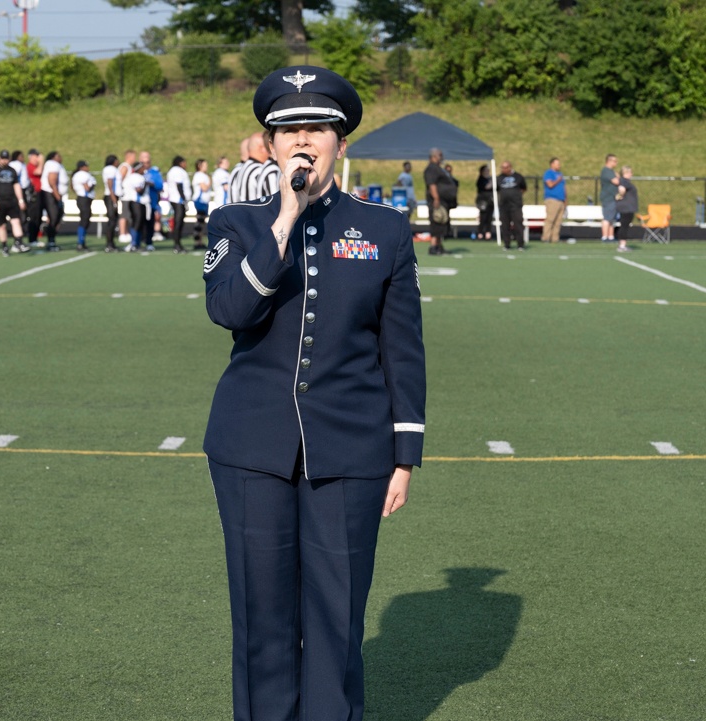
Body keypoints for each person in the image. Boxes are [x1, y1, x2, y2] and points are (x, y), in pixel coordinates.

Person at [203, 65, 425, 721]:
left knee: (336, 617)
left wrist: (403, 453)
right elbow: (230, 309)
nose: (304, 140)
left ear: (341, 143)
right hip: (251, 446)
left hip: (352, 449)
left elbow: (402, 349)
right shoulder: (234, 222)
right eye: (289, 130)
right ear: (268, 145)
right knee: (262, 615)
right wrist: (284, 219)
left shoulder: (383, 228)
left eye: (318, 129)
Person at [0, 149, 31, 257]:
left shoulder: (12, 170)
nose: (4, 161)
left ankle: (19, 242)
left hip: (11, 201)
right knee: (1, 225)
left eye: (6, 158)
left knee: (16, 221)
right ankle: (5, 246)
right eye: (3, 158)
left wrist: (20, 200)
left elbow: (16, 185)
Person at [424, 147, 456, 255]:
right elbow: (432, 184)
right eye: (440, 155)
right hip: (437, 201)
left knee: (442, 223)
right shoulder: (431, 169)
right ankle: (433, 246)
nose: (441, 157)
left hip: (444, 201)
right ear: (433, 156)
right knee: (436, 222)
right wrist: (436, 198)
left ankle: (439, 245)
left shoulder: (438, 168)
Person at [41, 150, 68, 252]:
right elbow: (52, 180)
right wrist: (57, 196)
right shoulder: (53, 164)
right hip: (51, 194)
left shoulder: (57, 165)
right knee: (54, 217)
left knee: (57, 217)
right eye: (58, 156)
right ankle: (50, 240)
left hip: (54, 194)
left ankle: (51, 239)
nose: (60, 157)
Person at [496, 160, 527, 250]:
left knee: (518, 224)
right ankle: (506, 244)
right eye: (502, 167)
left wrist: (516, 196)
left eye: (505, 168)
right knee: (505, 225)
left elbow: (524, 188)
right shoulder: (499, 178)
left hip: (515, 205)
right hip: (504, 205)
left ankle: (520, 244)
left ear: (510, 167)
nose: (503, 169)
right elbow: (497, 189)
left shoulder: (518, 177)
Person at [166, 155, 192, 253]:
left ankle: (178, 244)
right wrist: (184, 199)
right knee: (178, 222)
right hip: (178, 200)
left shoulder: (176, 171)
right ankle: (177, 244)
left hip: (178, 200)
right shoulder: (177, 171)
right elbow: (179, 185)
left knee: (180, 222)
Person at [71, 159, 96, 252]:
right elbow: (87, 187)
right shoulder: (82, 174)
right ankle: (80, 242)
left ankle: (82, 242)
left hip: (83, 198)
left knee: (85, 220)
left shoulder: (78, 175)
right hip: (84, 198)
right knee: (84, 220)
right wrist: (92, 185)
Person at [122, 161, 147, 251]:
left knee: (138, 223)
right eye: (142, 167)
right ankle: (134, 244)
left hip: (135, 202)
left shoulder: (133, 177)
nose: (144, 169)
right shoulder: (136, 177)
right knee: (137, 223)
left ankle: (137, 243)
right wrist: (147, 184)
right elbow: (139, 191)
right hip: (136, 202)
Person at [541, 157, 567, 243]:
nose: (559, 165)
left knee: (558, 221)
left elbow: (563, 188)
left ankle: (555, 238)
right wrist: (558, 180)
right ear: (552, 164)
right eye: (557, 163)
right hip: (552, 199)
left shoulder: (560, 174)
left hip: (561, 200)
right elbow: (550, 185)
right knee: (550, 220)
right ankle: (546, 238)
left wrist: (565, 200)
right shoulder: (548, 173)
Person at [26, 149, 45, 247]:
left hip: (39, 193)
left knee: (38, 217)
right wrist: (41, 162)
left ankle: (35, 237)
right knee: (34, 217)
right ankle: (32, 238)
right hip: (34, 194)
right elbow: (38, 172)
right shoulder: (30, 166)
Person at [102, 154, 121, 252]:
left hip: (112, 196)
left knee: (113, 220)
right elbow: (110, 183)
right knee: (112, 220)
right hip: (111, 196)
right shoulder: (110, 169)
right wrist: (113, 198)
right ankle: (109, 244)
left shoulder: (112, 169)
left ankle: (111, 243)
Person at [615, 166, 637, 253]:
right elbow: (622, 189)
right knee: (624, 226)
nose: (631, 174)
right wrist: (620, 195)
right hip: (627, 207)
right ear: (626, 173)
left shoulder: (624, 181)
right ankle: (622, 245)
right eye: (630, 172)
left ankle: (622, 244)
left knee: (625, 226)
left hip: (628, 207)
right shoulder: (624, 181)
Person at [600, 154, 621, 243]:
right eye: (614, 161)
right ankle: (605, 237)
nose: (616, 163)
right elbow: (616, 181)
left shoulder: (611, 171)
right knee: (607, 218)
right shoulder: (607, 171)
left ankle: (611, 236)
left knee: (611, 218)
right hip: (608, 198)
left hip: (613, 198)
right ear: (609, 161)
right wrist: (619, 177)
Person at [191, 158, 211, 251]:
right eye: (204, 165)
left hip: (204, 201)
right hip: (200, 200)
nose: (206, 166)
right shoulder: (199, 175)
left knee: (202, 222)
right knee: (199, 221)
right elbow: (204, 188)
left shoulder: (204, 175)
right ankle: (197, 241)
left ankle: (200, 241)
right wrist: (210, 181)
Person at [474, 164, 493, 240]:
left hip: (490, 201)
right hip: (483, 201)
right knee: (483, 217)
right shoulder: (481, 180)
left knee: (489, 217)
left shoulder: (490, 179)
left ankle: (488, 232)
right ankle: (480, 232)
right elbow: (485, 187)